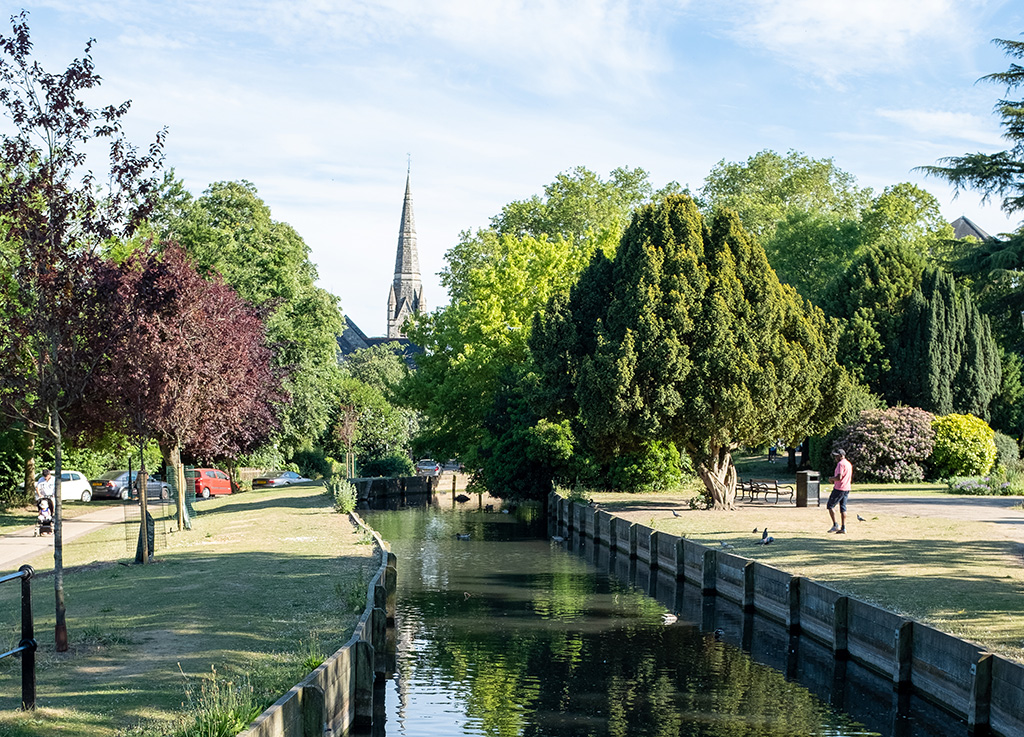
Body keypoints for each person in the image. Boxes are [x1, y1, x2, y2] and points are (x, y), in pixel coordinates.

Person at [827, 449, 853, 534]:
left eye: (837, 456)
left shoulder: (840, 464)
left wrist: (831, 479)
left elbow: (839, 477)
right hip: (847, 488)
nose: (835, 457)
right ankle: (844, 527)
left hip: (839, 488)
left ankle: (835, 525)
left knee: (830, 506)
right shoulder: (848, 464)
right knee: (843, 508)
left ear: (841, 456)